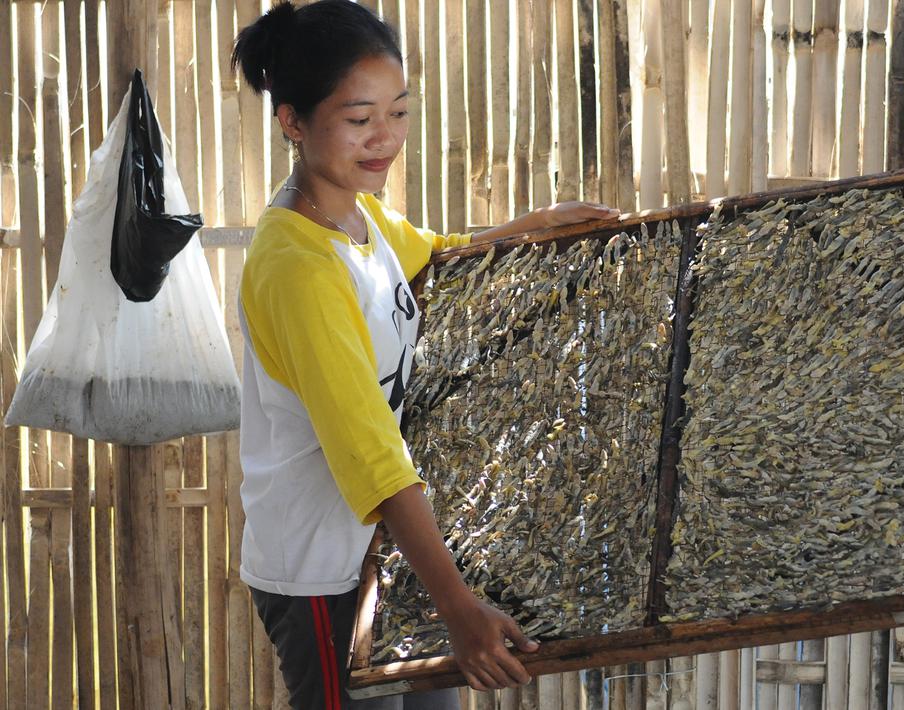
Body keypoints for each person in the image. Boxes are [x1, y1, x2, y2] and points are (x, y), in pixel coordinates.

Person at [230, 2, 618, 707]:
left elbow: (432, 255)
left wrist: (528, 228)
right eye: (358, 119)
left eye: (399, 112)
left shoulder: (359, 215)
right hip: (324, 570)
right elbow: (371, 456)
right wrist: (459, 606)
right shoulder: (298, 266)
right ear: (292, 121)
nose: (385, 138)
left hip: (395, 553)